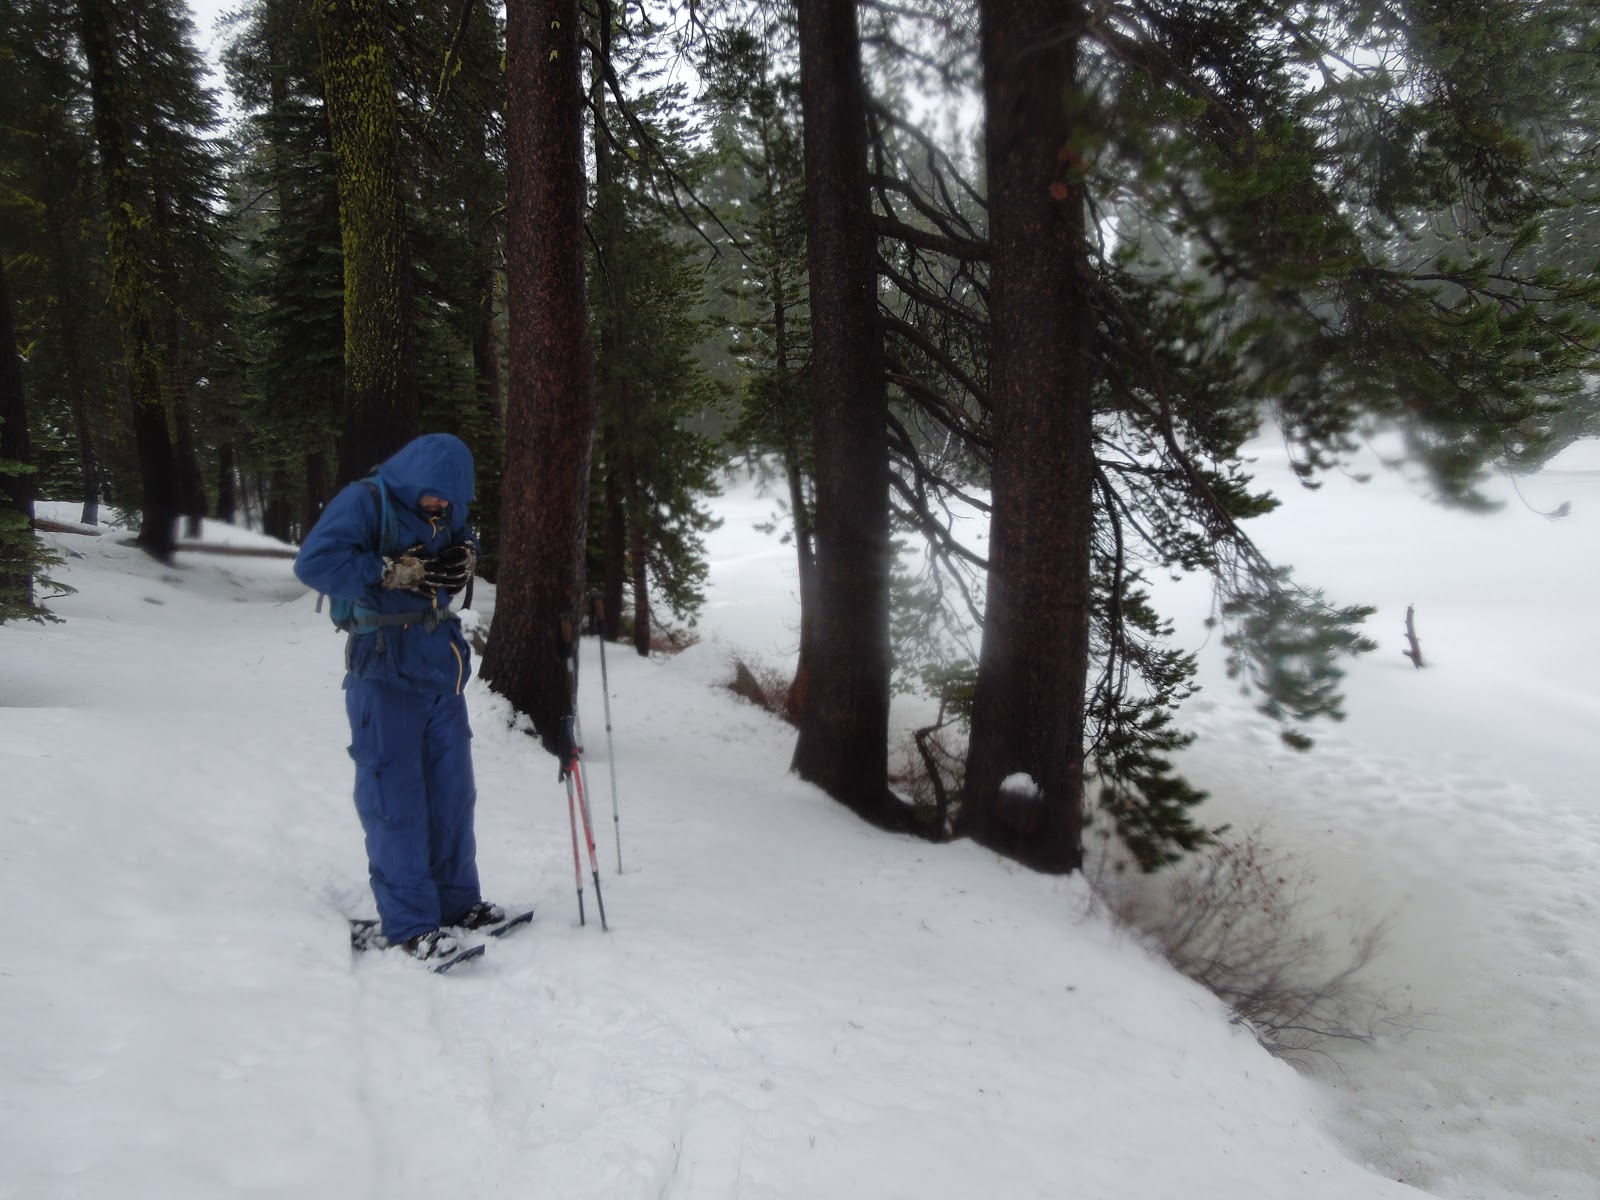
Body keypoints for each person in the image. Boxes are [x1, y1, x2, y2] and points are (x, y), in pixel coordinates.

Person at [294, 432, 502, 961]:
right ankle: (410, 923)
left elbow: (464, 535)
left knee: (453, 794)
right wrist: (388, 570)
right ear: (413, 481)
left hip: (438, 668)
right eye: (436, 497)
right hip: (382, 669)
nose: (443, 507)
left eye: (452, 501)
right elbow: (314, 564)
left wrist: (466, 553)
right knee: (395, 801)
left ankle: (459, 903)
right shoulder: (365, 501)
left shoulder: (446, 506)